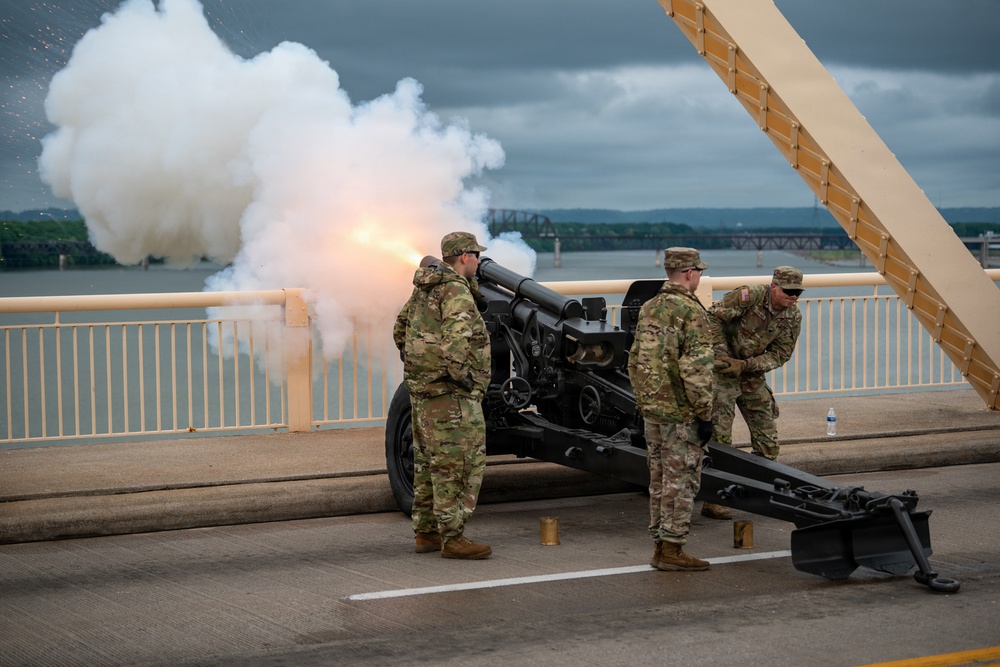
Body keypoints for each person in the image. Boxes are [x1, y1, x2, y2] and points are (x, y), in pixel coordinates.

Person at [392, 231, 493, 560]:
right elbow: (456, 343)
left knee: (426, 463)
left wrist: (419, 366)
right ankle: (453, 537)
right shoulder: (455, 290)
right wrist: (464, 381)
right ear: (464, 257)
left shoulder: (425, 288)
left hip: (422, 393)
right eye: (476, 255)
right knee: (458, 464)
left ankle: (426, 532)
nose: (478, 261)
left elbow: (400, 328)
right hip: (450, 395)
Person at [627, 247, 715, 572]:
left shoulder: (650, 306)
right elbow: (697, 369)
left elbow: (635, 359)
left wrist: (644, 399)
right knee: (681, 480)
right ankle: (673, 549)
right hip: (681, 412)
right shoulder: (691, 311)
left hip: (653, 409)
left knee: (659, 478)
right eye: (699, 272)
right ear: (690, 273)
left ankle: (659, 545)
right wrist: (705, 415)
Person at [701, 266, 804, 519]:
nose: (793, 297)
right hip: (722, 372)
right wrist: (722, 355)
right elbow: (712, 318)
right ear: (774, 287)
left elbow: (781, 354)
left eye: (798, 292)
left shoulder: (793, 317)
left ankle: (761, 491)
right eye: (789, 291)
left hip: (751, 374)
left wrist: (747, 365)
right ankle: (714, 499)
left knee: (767, 437)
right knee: (720, 439)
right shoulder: (749, 297)